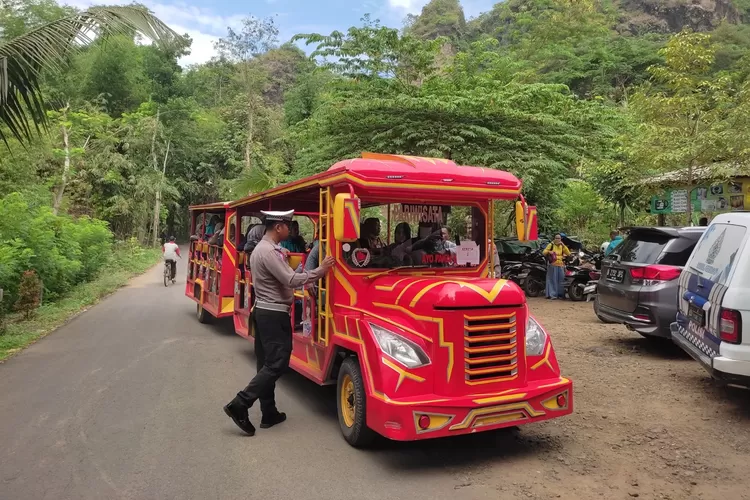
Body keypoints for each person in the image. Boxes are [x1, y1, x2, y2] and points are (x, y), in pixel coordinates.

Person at [223, 210, 335, 436]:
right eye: (287, 225)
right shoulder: (268, 252)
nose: (290, 229)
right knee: (278, 363)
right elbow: (291, 280)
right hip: (274, 315)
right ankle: (240, 403)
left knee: (266, 363)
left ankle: (269, 412)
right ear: (278, 227)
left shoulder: (264, 250)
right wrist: (321, 270)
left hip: (264, 311)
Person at [543, 233, 570, 300]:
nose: (558, 240)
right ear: (554, 239)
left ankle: (560, 294)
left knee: (561, 280)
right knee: (553, 280)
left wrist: (564, 246)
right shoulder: (551, 245)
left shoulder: (562, 246)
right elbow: (544, 252)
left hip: (560, 265)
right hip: (553, 265)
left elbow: (568, 253)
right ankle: (553, 295)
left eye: (559, 238)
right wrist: (549, 252)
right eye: (556, 238)